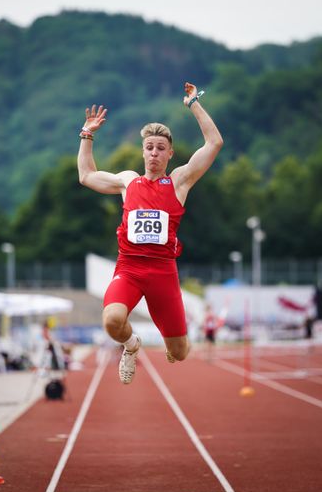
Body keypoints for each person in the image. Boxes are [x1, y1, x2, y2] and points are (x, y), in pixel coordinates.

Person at [77, 82, 223, 384]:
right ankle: (131, 346)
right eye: (149, 148)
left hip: (162, 273)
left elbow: (214, 144)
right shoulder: (128, 182)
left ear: (170, 153)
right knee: (112, 320)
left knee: (180, 353)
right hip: (129, 269)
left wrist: (193, 103)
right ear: (142, 152)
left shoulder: (179, 182)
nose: (154, 153)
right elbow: (86, 175)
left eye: (160, 148)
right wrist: (87, 134)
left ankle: (174, 347)